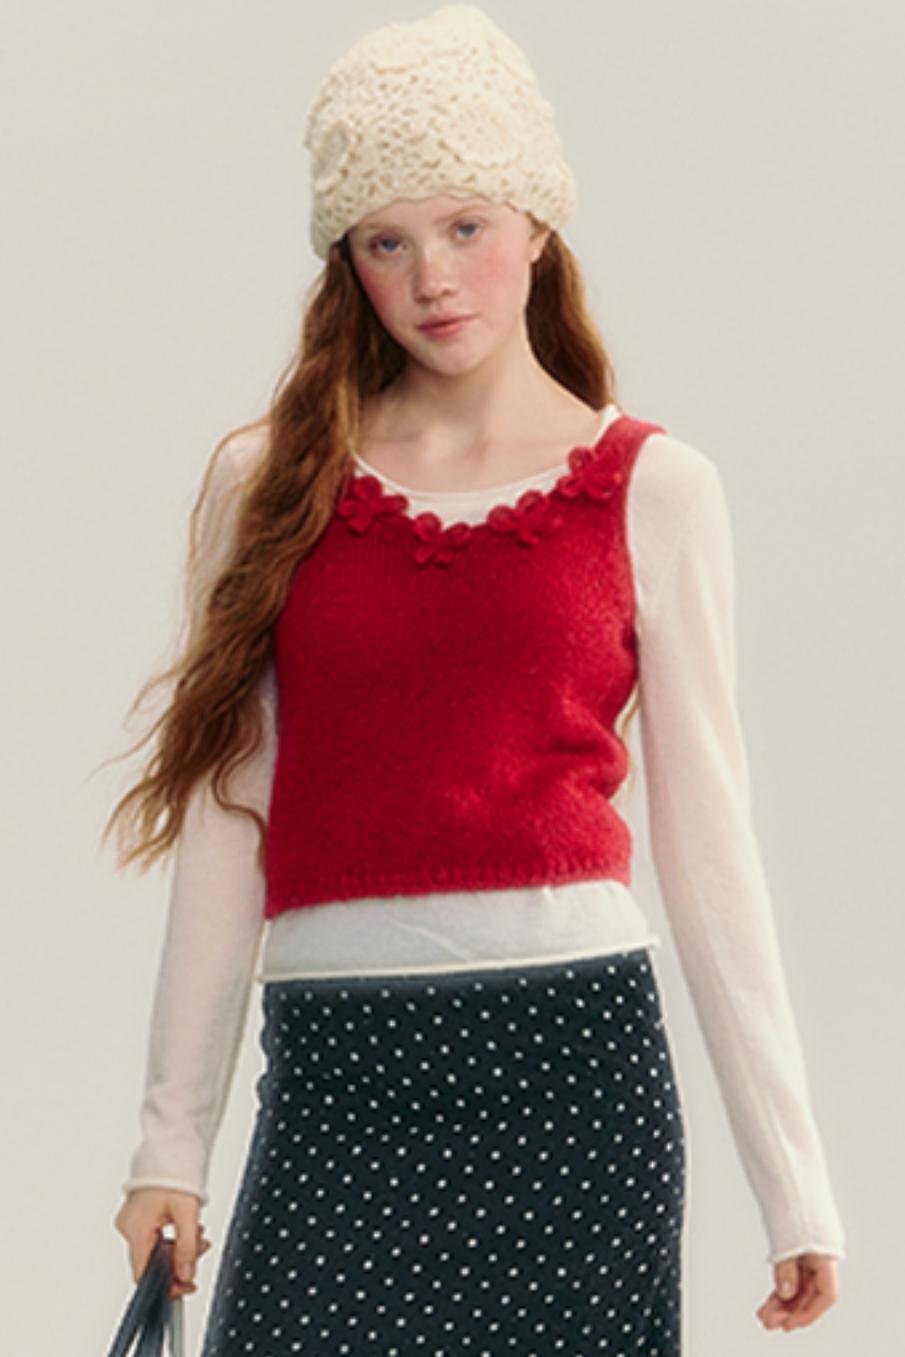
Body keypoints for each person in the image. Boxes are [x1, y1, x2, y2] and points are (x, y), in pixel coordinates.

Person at [107, 4, 845, 1349]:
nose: (433, 278)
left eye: (464, 226)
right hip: (339, 1077)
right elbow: (227, 818)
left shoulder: (656, 490)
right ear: (347, 261)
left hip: (575, 1076)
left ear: (537, 223)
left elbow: (709, 848)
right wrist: (172, 1148)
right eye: (386, 242)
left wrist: (793, 1185)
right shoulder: (266, 485)